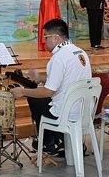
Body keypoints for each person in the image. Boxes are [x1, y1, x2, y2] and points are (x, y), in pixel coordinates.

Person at [10, 19, 91, 155]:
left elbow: (48, 91)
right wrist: (40, 78)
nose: (44, 41)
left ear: (55, 38)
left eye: (45, 37)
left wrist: (22, 91)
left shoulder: (59, 58)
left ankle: (49, 143)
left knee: (35, 99)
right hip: (84, 110)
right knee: (41, 98)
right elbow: (66, 78)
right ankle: (57, 141)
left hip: (67, 114)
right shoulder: (80, 52)